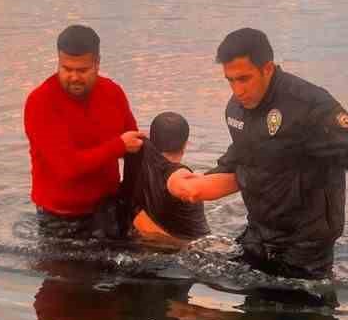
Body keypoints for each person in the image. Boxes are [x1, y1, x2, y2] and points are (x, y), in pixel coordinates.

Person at [179, 27, 348, 279]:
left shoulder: (307, 105)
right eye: (230, 80)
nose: (237, 90)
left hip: (306, 246)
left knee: (298, 313)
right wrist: (201, 181)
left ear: (267, 69)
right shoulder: (236, 109)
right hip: (259, 234)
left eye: (244, 79)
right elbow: (241, 156)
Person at [24, 23, 143, 236]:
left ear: (97, 63)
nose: (74, 77)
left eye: (82, 70)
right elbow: (67, 167)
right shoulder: (40, 102)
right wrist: (118, 145)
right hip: (60, 218)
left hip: (109, 209)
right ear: (58, 62)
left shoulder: (112, 92)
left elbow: (133, 146)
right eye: (66, 69)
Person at [127, 111, 226, 247]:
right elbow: (188, 188)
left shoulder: (138, 155)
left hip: (141, 244)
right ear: (186, 144)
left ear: (152, 139)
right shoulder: (179, 175)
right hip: (186, 252)